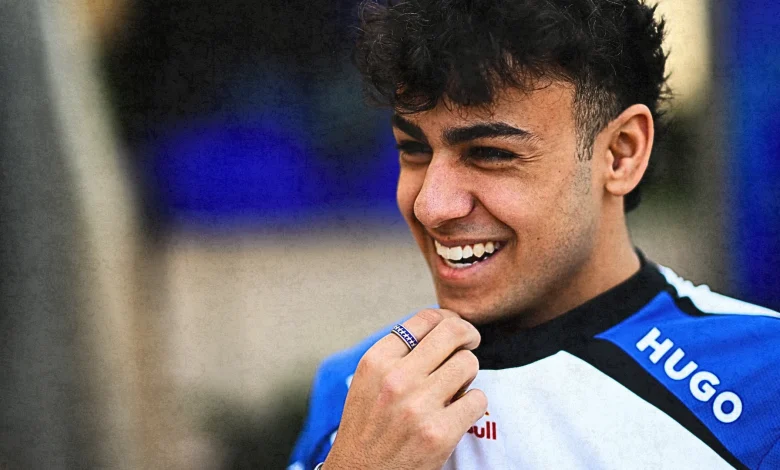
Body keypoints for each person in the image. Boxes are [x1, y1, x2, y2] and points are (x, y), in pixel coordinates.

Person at [287, 0, 780, 468]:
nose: (430, 206)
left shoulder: (765, 381)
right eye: (413, 149)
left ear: (621, 153)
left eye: (490, 153)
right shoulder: (359, 386)